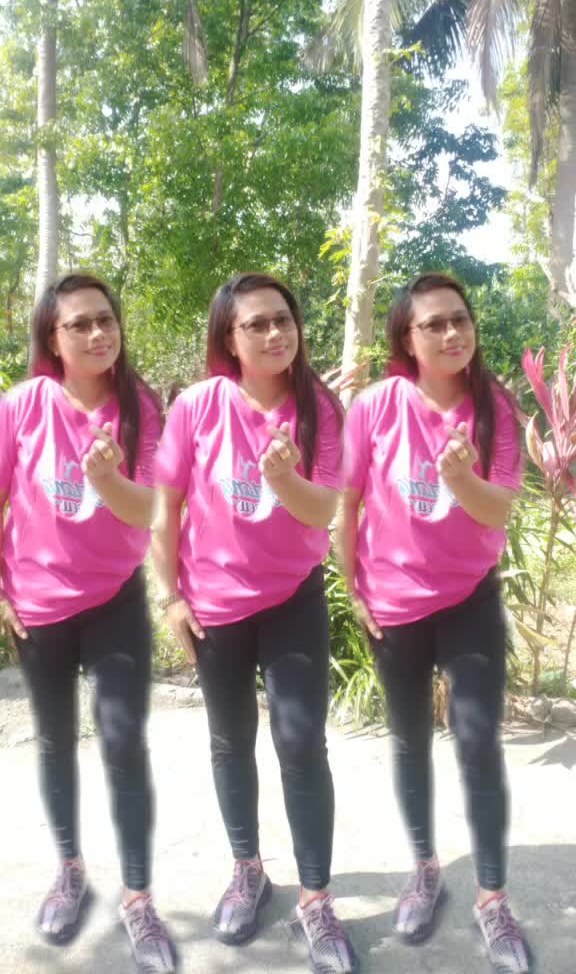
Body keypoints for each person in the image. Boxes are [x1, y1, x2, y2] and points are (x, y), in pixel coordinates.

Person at [153, 272, 357, 974]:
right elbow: (166, 505)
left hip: (292, 597)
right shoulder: (198, 406)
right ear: (229, 339)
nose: (275, 333)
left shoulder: (319, 408)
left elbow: (322, 510)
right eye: (256, 324)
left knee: (301, 743)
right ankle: (248, 871)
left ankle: (316, 899)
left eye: (283, 319)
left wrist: (283, 478)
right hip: (213, 605)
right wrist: (171, 598)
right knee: (230, 739)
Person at [337, 273, 531, 974]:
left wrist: (459, 480)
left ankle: (492, 898)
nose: (453, 333)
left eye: (460, 319)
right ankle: (424, 868)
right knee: (410, 739)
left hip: (469, 596)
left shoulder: (494, 407)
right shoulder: (375, 407)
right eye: (434, 324)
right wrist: (354, 588)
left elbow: (498, 509)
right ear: (406, 339)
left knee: (478, 742)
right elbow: (348, 501)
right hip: (392, 603)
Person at [0, 272, 176, 973]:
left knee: (124, 741)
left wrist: (107, 478)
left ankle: (138, 898)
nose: (99, 333)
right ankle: (69, 869)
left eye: (107, 319)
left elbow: (150, 510)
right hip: (37, 605)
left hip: (114, 602)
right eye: (80, 324)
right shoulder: (22, 406)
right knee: (54, 742)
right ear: (53, 337)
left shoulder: (141, 409)